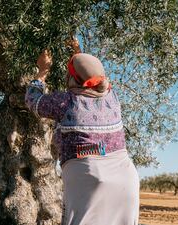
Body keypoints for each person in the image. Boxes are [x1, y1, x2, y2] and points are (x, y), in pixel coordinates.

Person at [25, 39, 139, 225]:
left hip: (88, 175)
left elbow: (33, 100)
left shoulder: (66, 102)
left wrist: (42, 71)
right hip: (126, 178)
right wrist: (78, 52)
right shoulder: (112, 96)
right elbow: (89, 74)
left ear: (71, 77)